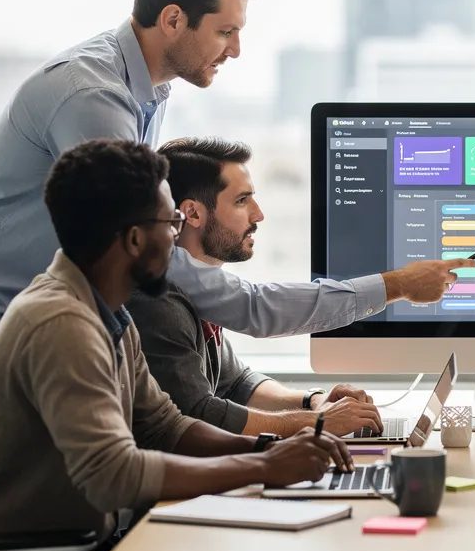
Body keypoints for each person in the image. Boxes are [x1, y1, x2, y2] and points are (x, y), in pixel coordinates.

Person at [0, 0, 467, 425]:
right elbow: (180, 274)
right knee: (3, 514)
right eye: (225, 32)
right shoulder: (95, 98)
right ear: (172, 20)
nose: (237, 49)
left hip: (5, 310)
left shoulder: (145, 94)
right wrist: (390, 285)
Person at [0, 139, 350, 551]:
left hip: (66, 550)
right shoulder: (61, 323)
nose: (177, 239)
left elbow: (165, 426)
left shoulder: (108, 312)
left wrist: (264, 447)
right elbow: (115, 474)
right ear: (133, 239)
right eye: (170, 223)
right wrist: (261, 464)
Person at [127, 137, 383, 438]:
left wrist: (314, 401)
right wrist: (317, 423)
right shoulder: (159, 302)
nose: (258, 214)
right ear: (193, 214)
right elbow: (198, 414)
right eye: (241, 200)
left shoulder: (200, 290)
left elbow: (236, 383)